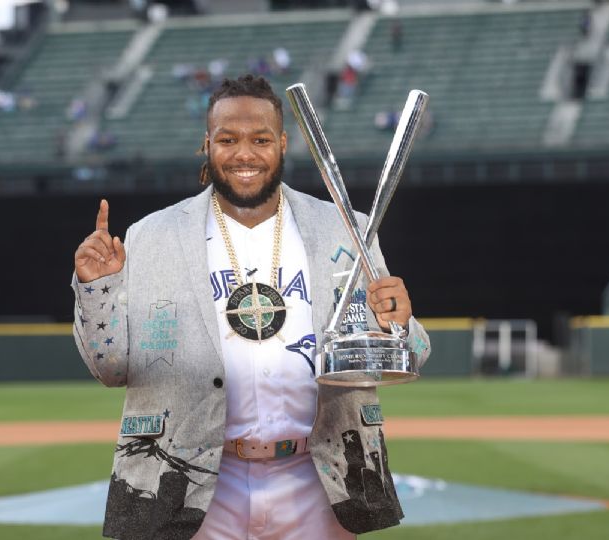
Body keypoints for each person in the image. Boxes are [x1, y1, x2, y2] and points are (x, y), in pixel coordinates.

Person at [71, 74, 431, 540]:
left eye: (260, 139)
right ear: (207, 145)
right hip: (194, 484)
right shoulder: (151, 236)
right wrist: (97, 288)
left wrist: (400, 326)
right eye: (228, 139)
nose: (244, 154)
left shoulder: (345, 229)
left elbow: (407, 354)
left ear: (281, 143)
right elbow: (112, 367)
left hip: (316, 482)